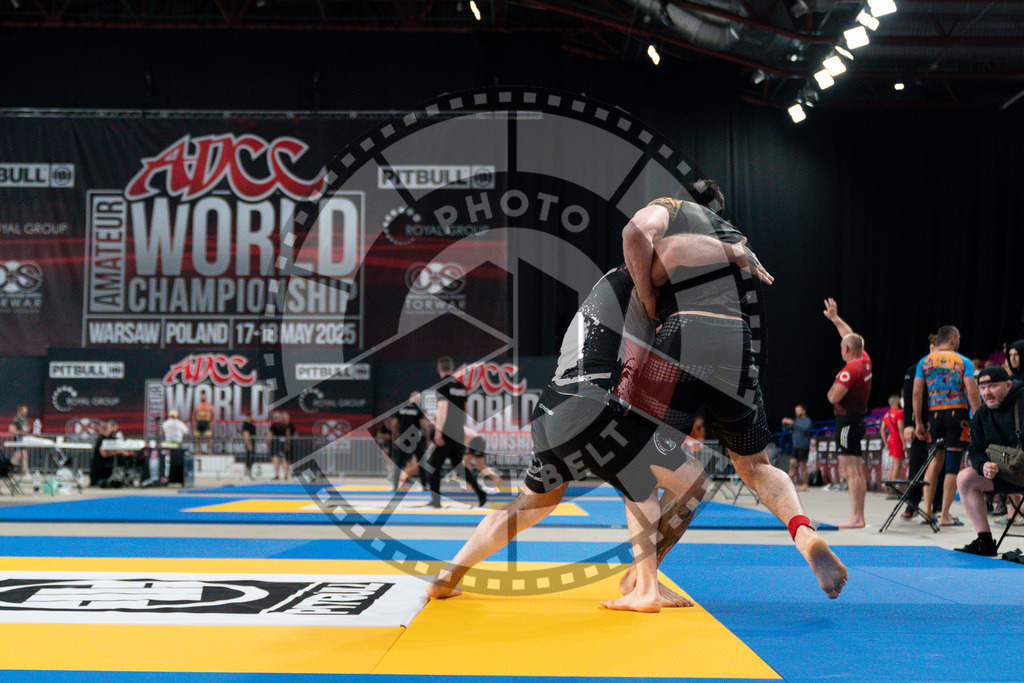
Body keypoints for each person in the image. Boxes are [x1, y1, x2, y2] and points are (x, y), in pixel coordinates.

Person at [913, 325, 981, 526]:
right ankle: (944, 515)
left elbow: (917, 393)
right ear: (952, 339)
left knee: (934, 461)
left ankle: (926, 511)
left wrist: (918, 422)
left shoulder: (924, 361)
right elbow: (972, 391)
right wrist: (978, 414)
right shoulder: (963, 361)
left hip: (934, 415)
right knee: (952, 465)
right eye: (958, 337)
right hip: (956, 413)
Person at [955, 366, 1024, 555]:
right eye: (983, 388)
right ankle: (985, 542)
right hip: (1004, 474)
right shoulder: (980, 415)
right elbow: (975, 449)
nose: (987, 393)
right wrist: (983, 465)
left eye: (992, 386)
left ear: (1008, 385)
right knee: (965, 479)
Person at [822, 298, 872, 529]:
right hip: (858, 420)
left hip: (847, 422)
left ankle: (856, 517)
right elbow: (850, 336)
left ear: (846, 350)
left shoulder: (849, 371)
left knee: (849, 470)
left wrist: (832, 385)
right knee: (855, 470)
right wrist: (835, 318)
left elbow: (833, 397)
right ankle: (858, 516)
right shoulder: (864, 360)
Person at [425, 357, 487, 508]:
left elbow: (443, 409)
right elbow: (464, 410)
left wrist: (438, 432)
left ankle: (435, 500)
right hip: (458, 433)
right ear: (453, 369)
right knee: (459, 468)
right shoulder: (461, 387)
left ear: (438, 370)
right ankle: (481, 493)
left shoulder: (442, 386)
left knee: (433, 466)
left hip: (446, 434)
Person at [782, 405, 813, 491]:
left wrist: (793, 423)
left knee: (803, 465)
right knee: (792, 464)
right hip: (795, 446)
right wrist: (784, 423)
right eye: (796, 410)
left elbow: (804, 429)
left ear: (803, 411)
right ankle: (788, 485)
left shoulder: (807, 421)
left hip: (803, 446)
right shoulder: (796, 421)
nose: (797, 412)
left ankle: (805, 485)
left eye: (799, 410)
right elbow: (786, 430)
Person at [463, 427, 503, 493]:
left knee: (466, 463)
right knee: (479, 465)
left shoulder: (459, 428)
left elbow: (466, 439)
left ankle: (471, 485)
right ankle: (495, 478)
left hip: (475, 442)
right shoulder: (463, 427)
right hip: (479, 441)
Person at [879, 394, 905, 492]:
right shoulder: (899, 413)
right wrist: (904, 443)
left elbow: (882, 430)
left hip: (891, 439)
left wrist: (885, 443)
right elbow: (901, 429)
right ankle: (892, 488)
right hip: (897, 439)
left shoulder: (887, 414)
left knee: (893, 464)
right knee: (897, 465)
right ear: (896, 402)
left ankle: (889, 487)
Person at [267, 410, 296, 480]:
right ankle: (286, 475)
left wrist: (267, 443)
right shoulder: (285, 425)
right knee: (284, 459)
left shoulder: (273, 425)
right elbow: (288, 435)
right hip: (283, 443)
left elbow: (269, 435)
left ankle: (277, 475)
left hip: (275, 443)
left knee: (276, 459)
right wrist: (287, 443)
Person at [7, 405, 30, 479]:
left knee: (23, 455)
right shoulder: (16, 420)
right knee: (17, 456)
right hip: (18, 440)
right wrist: (21, 432)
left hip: (23, 441)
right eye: (24, 410)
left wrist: (27, 432)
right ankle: (8, 470)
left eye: (26, 411)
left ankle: (25, 473)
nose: (25, 412)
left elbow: (26, 429)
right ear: (20, 411)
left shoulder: (24, 420)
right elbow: (11, 430)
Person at [239, 414, 257, 479]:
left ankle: (249, 473)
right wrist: (248, 444)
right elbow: (246, 435)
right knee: (248, 458)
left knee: (252, 459)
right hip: (249, 444)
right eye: (253, 416)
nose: (254, 417)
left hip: (253, 443)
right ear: (249, 417)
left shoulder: (252, 425)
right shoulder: (246, 425)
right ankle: (246, 473)